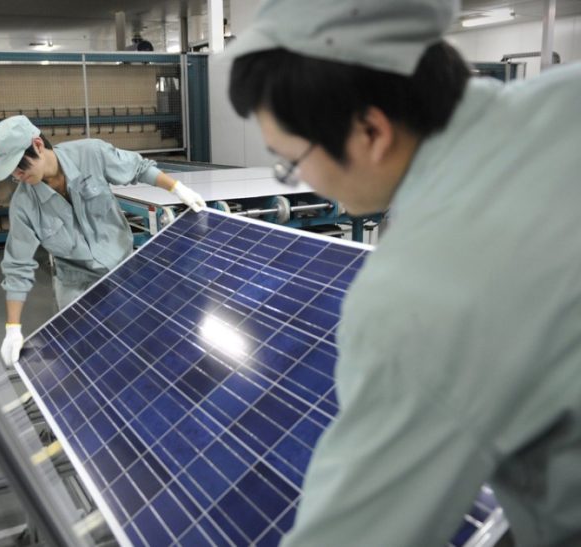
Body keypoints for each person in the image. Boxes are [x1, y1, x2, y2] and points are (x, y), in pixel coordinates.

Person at [225, 0, 581, 545]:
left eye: (291, 161)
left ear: (370, 130)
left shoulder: (415, 300)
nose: (302, 181)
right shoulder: (565, 96)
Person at [0, 115, 206, 367]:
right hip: (77, 286)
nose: (18, 175)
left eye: (20, 166)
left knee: (140, 349)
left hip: (124, 270)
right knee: (89, 359)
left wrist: (176, 188)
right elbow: (17, 266)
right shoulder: (24, 205)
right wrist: (13, 328)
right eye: (12, 172)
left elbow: (139, 169)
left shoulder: (91, 154)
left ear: (37, 145)